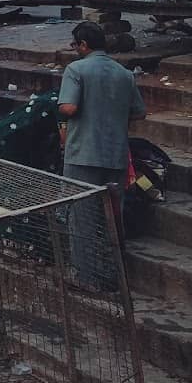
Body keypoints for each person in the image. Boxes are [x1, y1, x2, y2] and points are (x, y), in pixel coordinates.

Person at [59, 22, 146, 286]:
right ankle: (112, 275)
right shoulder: (123, 73)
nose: (74, 49)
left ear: (83, 45)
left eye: (76, 45)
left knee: (82, 218)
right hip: (116, 154)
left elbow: (69, 107)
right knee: (111, 217)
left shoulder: (76, 69)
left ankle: (86, 278)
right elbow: (139, 112)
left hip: (83, 153)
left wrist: (60, 112)